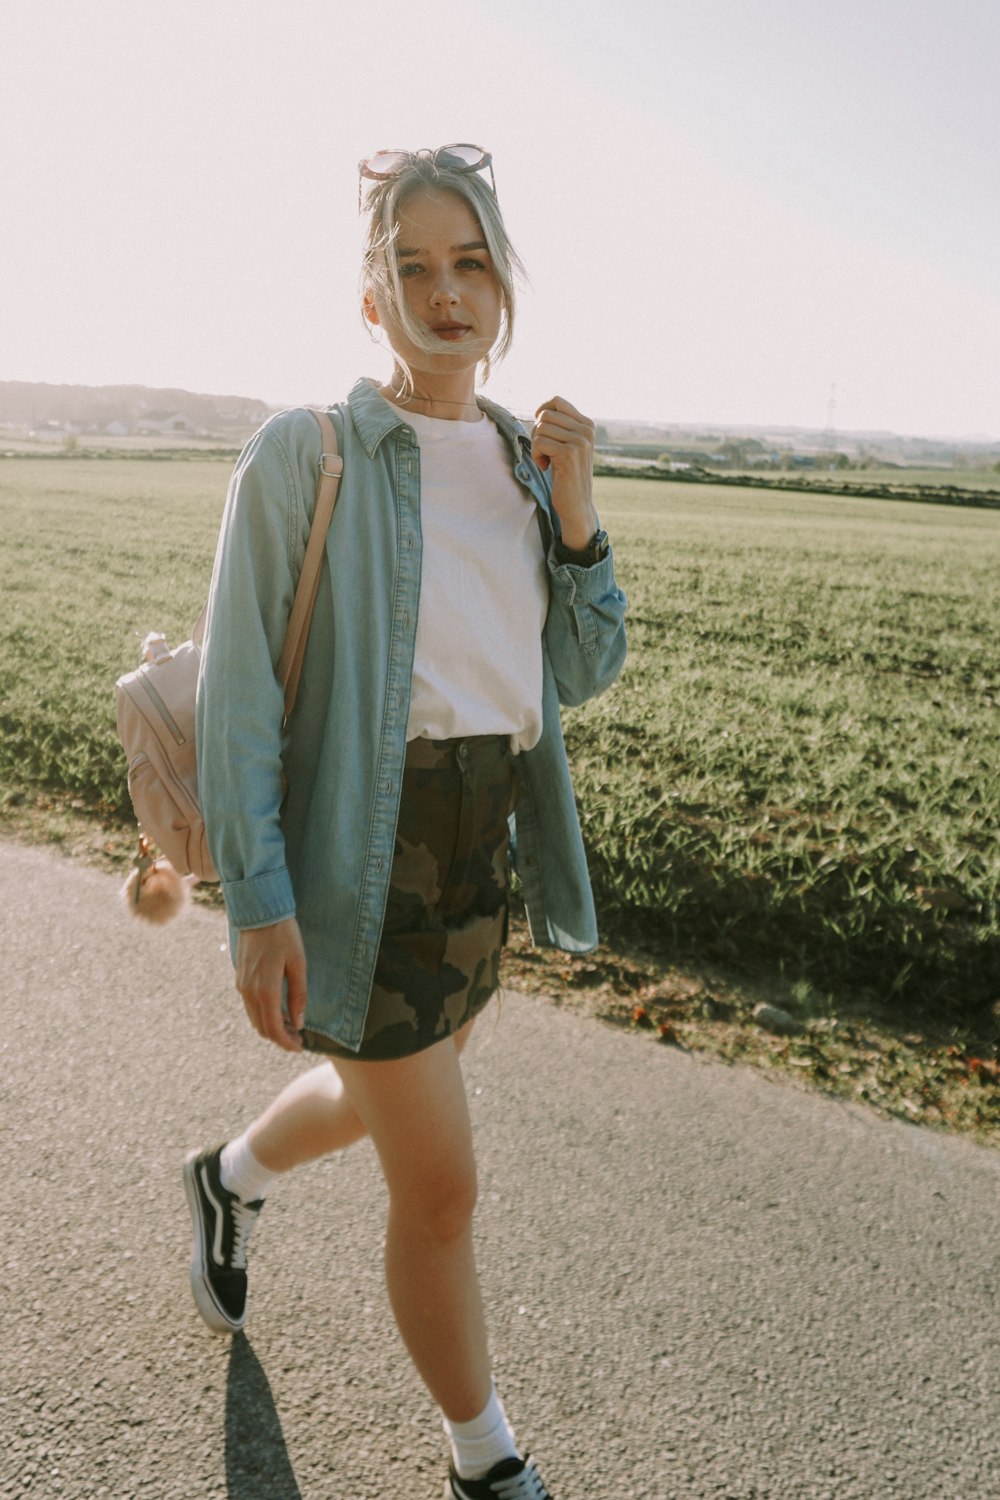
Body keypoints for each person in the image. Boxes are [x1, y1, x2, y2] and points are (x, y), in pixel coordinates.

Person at [184, 143, 627, 1500]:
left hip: (477, 848)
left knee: (395, 1097)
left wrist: (578, 513)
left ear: (504, 285)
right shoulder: (305, 454)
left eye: (471, 262)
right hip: (354, 855)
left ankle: (230, 1177)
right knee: (441, 1191)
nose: (449, 292)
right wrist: (259, 905)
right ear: (371, 299)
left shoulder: (517, 458)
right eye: (414, 266)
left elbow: (578, 673)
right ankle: (484, 1460)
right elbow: (239, 699)